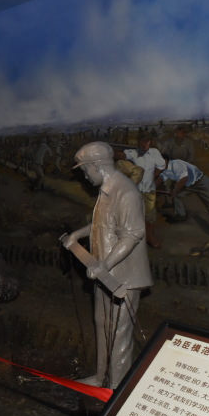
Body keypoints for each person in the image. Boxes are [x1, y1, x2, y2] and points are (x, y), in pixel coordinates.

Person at [61, 142, 153, 389]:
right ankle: (100, 376)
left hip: (123, 277)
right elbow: (101, 225)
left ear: (96, 166)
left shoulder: (126, 192)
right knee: (102, 325)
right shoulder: (107, 190)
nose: (85, 176)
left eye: (85, 170)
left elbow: (132, 235)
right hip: (102, 271)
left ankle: (116, 388)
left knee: (119, 333)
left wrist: (105, 265)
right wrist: (77, 235)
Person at [155, 156, 209, 246]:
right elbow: (160, 178)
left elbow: (184, 179)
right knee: (177, 196)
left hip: (202, 183)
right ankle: (181, 215)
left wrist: (175, 191)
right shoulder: (165, 170)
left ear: (166, 160)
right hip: (190, 186)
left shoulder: (176, 164)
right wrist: (150, 188)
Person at [114, 133, 164, 248]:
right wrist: (108, 151)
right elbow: (121, 156)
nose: (145, 143)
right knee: (132, 214)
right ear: (138, 141)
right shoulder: (133, 153)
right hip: (135, 190)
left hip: (149, 190)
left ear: (150, 142)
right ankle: (131, 238)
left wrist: (152, 177)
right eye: (143, 141)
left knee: (150, 215)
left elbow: (161, 166)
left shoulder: (155, 152)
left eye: (147, 141)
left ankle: (149, 237)